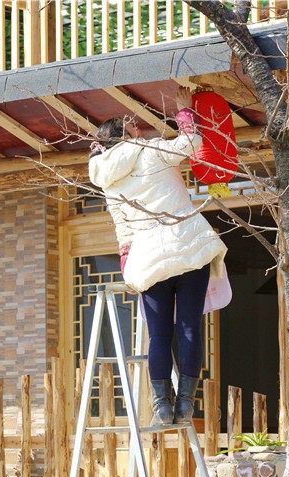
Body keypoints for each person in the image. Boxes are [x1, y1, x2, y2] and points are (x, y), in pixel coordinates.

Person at [88, 86, 231, 426]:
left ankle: (161, 405)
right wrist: (184, 110)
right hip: (188, 249)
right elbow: (192, 142)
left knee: (160, 336)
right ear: (125, 135)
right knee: (189, 329)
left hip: (149, 258)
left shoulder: (109, 181)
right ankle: (186, 403)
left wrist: (128, 265)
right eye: (133, 126)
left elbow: (122, 228)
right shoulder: (150, 150)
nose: (139, 129)